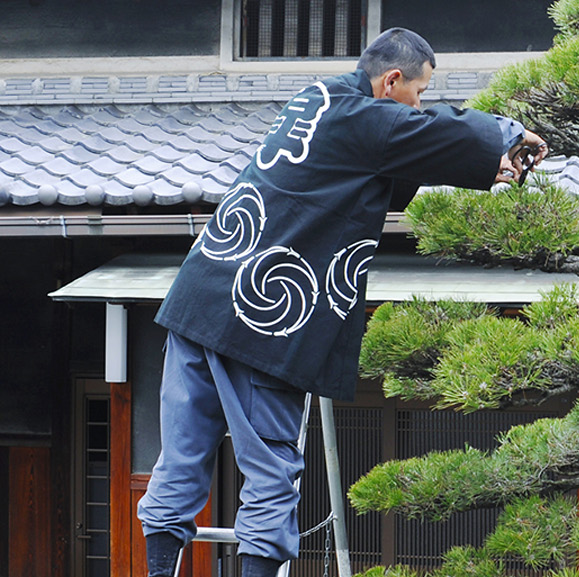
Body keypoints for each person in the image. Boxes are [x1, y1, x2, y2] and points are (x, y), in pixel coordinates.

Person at [137, 28, 546, 577]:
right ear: (392, 81)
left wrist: (483, 165)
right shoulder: (360, 116)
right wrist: (507, 132)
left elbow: (388, 160)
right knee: (271, 469)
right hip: (260, 318)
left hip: (199, 297)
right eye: (418, 92)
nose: (419, 104)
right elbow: (421, 132)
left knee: (180, 457)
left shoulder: (319, 100)